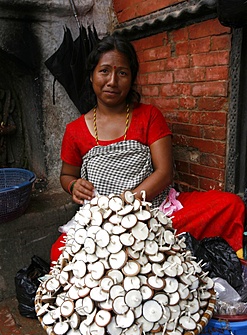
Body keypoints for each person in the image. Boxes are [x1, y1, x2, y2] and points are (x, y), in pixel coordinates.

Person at [50, 34, 245, 264]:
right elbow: (67, 175)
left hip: (154, 209)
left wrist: (129, 204)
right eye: (104, 71)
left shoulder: (149, 116)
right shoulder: (75, 130)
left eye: (122, 73)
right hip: (101, 220)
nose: (112, 81)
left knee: (230, 205)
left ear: (131, 78)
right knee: (59, 253)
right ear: (91, 75)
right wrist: (73, 185)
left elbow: (164, 173)